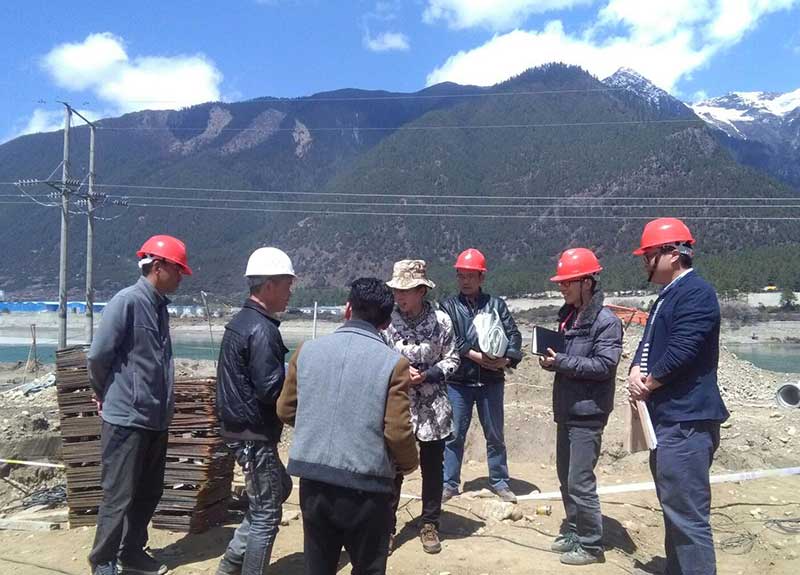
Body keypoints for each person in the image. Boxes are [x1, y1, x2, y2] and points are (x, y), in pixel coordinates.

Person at [277, 278, 418, 575]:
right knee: (368, 568)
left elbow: (285, 409)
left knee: (318, 566)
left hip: (313, 480)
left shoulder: (306, 351)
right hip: (367, 487)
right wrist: (408, 464)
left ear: (347, 308)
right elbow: (397, 431)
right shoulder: (394, 364)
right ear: (385, 322)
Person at [627, 218, 729, 575]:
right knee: (674, 508)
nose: (645, 263)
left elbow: (683, 349)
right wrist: (636, 369)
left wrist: (648, 383)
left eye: (648, 255)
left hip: (686, 422)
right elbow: (650, 343)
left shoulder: (697, 293)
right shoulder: (669, 296)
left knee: (687, 516)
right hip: (670, 420)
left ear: (673, 253)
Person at [87, 235, 192, 575]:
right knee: (118, 495)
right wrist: (104, 392)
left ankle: (131, 552)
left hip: (155, 418)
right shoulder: (127, 302)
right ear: (158, 266)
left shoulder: (159, 307)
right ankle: (103, 560)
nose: (181, 277)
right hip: (126, 418)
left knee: (149, 492)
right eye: (178, 270)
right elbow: (98, 355)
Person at [214, 247, 296, 575]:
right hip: (254, 433)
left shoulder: (242, 322)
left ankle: (231, 564)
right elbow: (271, 390)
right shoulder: (262, 330)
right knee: (266, 515)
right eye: (287, 285)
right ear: (269, 285)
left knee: (280, 488)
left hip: (240, 428)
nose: (290, 292)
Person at [539, 248, 622, 566]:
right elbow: (570, 360)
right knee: (566, 477)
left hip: (588, 412)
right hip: (567, 408)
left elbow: (604, 365)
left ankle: (590, 545)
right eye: (560, 283)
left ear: (587, 282)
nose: (562, 288)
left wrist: (561, 361)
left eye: (567, 282)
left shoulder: (606, 322)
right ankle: (575, 530)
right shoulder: (569, 317)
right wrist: (552, 361)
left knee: (580, 481)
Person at [384, 260, 459, 554]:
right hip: (398, 405)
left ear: (421, 291)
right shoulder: (387, 321)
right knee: (392, 468)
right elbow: (378, 355)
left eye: (405, 291)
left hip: (433, 408)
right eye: (396, 291)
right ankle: (386, 527)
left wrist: (429, 374)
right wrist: (400, 372)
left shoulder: (442, 321)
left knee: (432, 467)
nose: (399, 296)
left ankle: (429, 523)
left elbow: (453, 359)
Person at [439, 248, 523, 503]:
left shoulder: (496, 305)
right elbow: (451, 337)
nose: (465, 281)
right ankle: (449, 483)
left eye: (470, 276)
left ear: (481, 277)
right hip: (459, 381)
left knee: (495, 434)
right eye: (461, 276)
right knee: (454, 434)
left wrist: (506, 359)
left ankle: (499, 481)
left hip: (491, 381)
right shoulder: (448, 306)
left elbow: (514, 334)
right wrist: (477, 356)